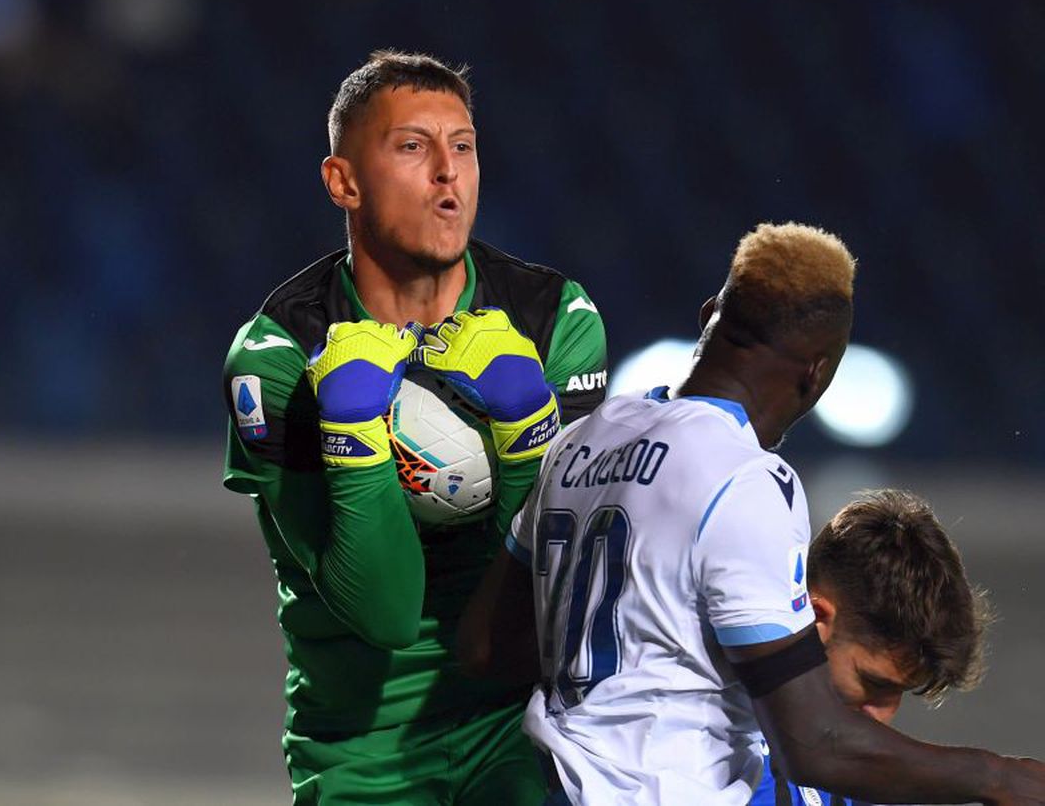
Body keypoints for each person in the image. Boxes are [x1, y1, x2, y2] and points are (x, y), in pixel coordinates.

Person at [458, 222, 1045, 805]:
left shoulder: (586, 438)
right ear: (818, 373)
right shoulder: (746, 481)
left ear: (710, 313)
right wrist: (1000, 778)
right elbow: (815, 746)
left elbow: (487, 648)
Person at [221, 50, 607, 804]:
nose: (447, 173)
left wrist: (530, 431)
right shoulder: (278, 359)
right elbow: (384, 612)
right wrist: (352, 432)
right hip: (364, 742)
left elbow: (562, 597)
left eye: (462, 146)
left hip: (522, 723)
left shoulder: (553, 321)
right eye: (411, 146)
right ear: (343, 181)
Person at [750, 488, 991, 806]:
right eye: (873, 683)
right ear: (816, 616)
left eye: (900, 692)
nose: (882, 716)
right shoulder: (701, 742)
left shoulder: (864, 785)